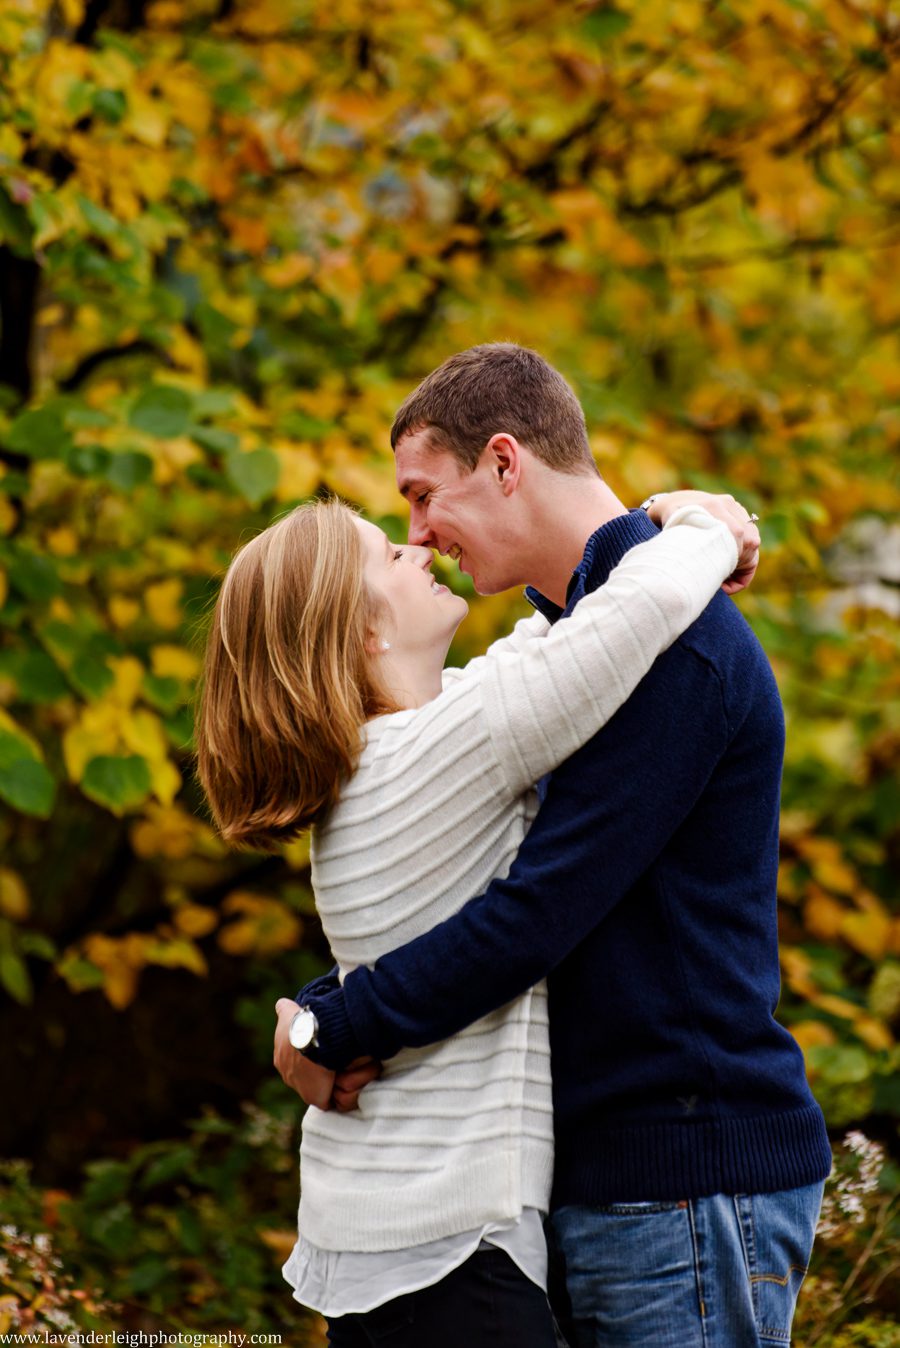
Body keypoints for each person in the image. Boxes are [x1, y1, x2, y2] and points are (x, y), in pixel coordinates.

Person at [279, 343, 832, 1348]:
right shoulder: (575, 648)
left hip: (682, 1171)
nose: (418, 534)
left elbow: (536, 910)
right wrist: (317, 1012)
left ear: (502, 462)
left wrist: (334, 1022)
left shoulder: (674, 646)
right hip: (602, 1178)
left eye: (419, 495)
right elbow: (448, 882)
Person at [197, 459, 753, 1343]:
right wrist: (709, 528)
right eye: (388, 556)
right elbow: (621, 624)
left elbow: (545, 654)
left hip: (382, 1244)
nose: (417, 552)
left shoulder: (390, 758)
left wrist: (317, 1018)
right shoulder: (449, 750)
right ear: (365, 634)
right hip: (452, 1256)